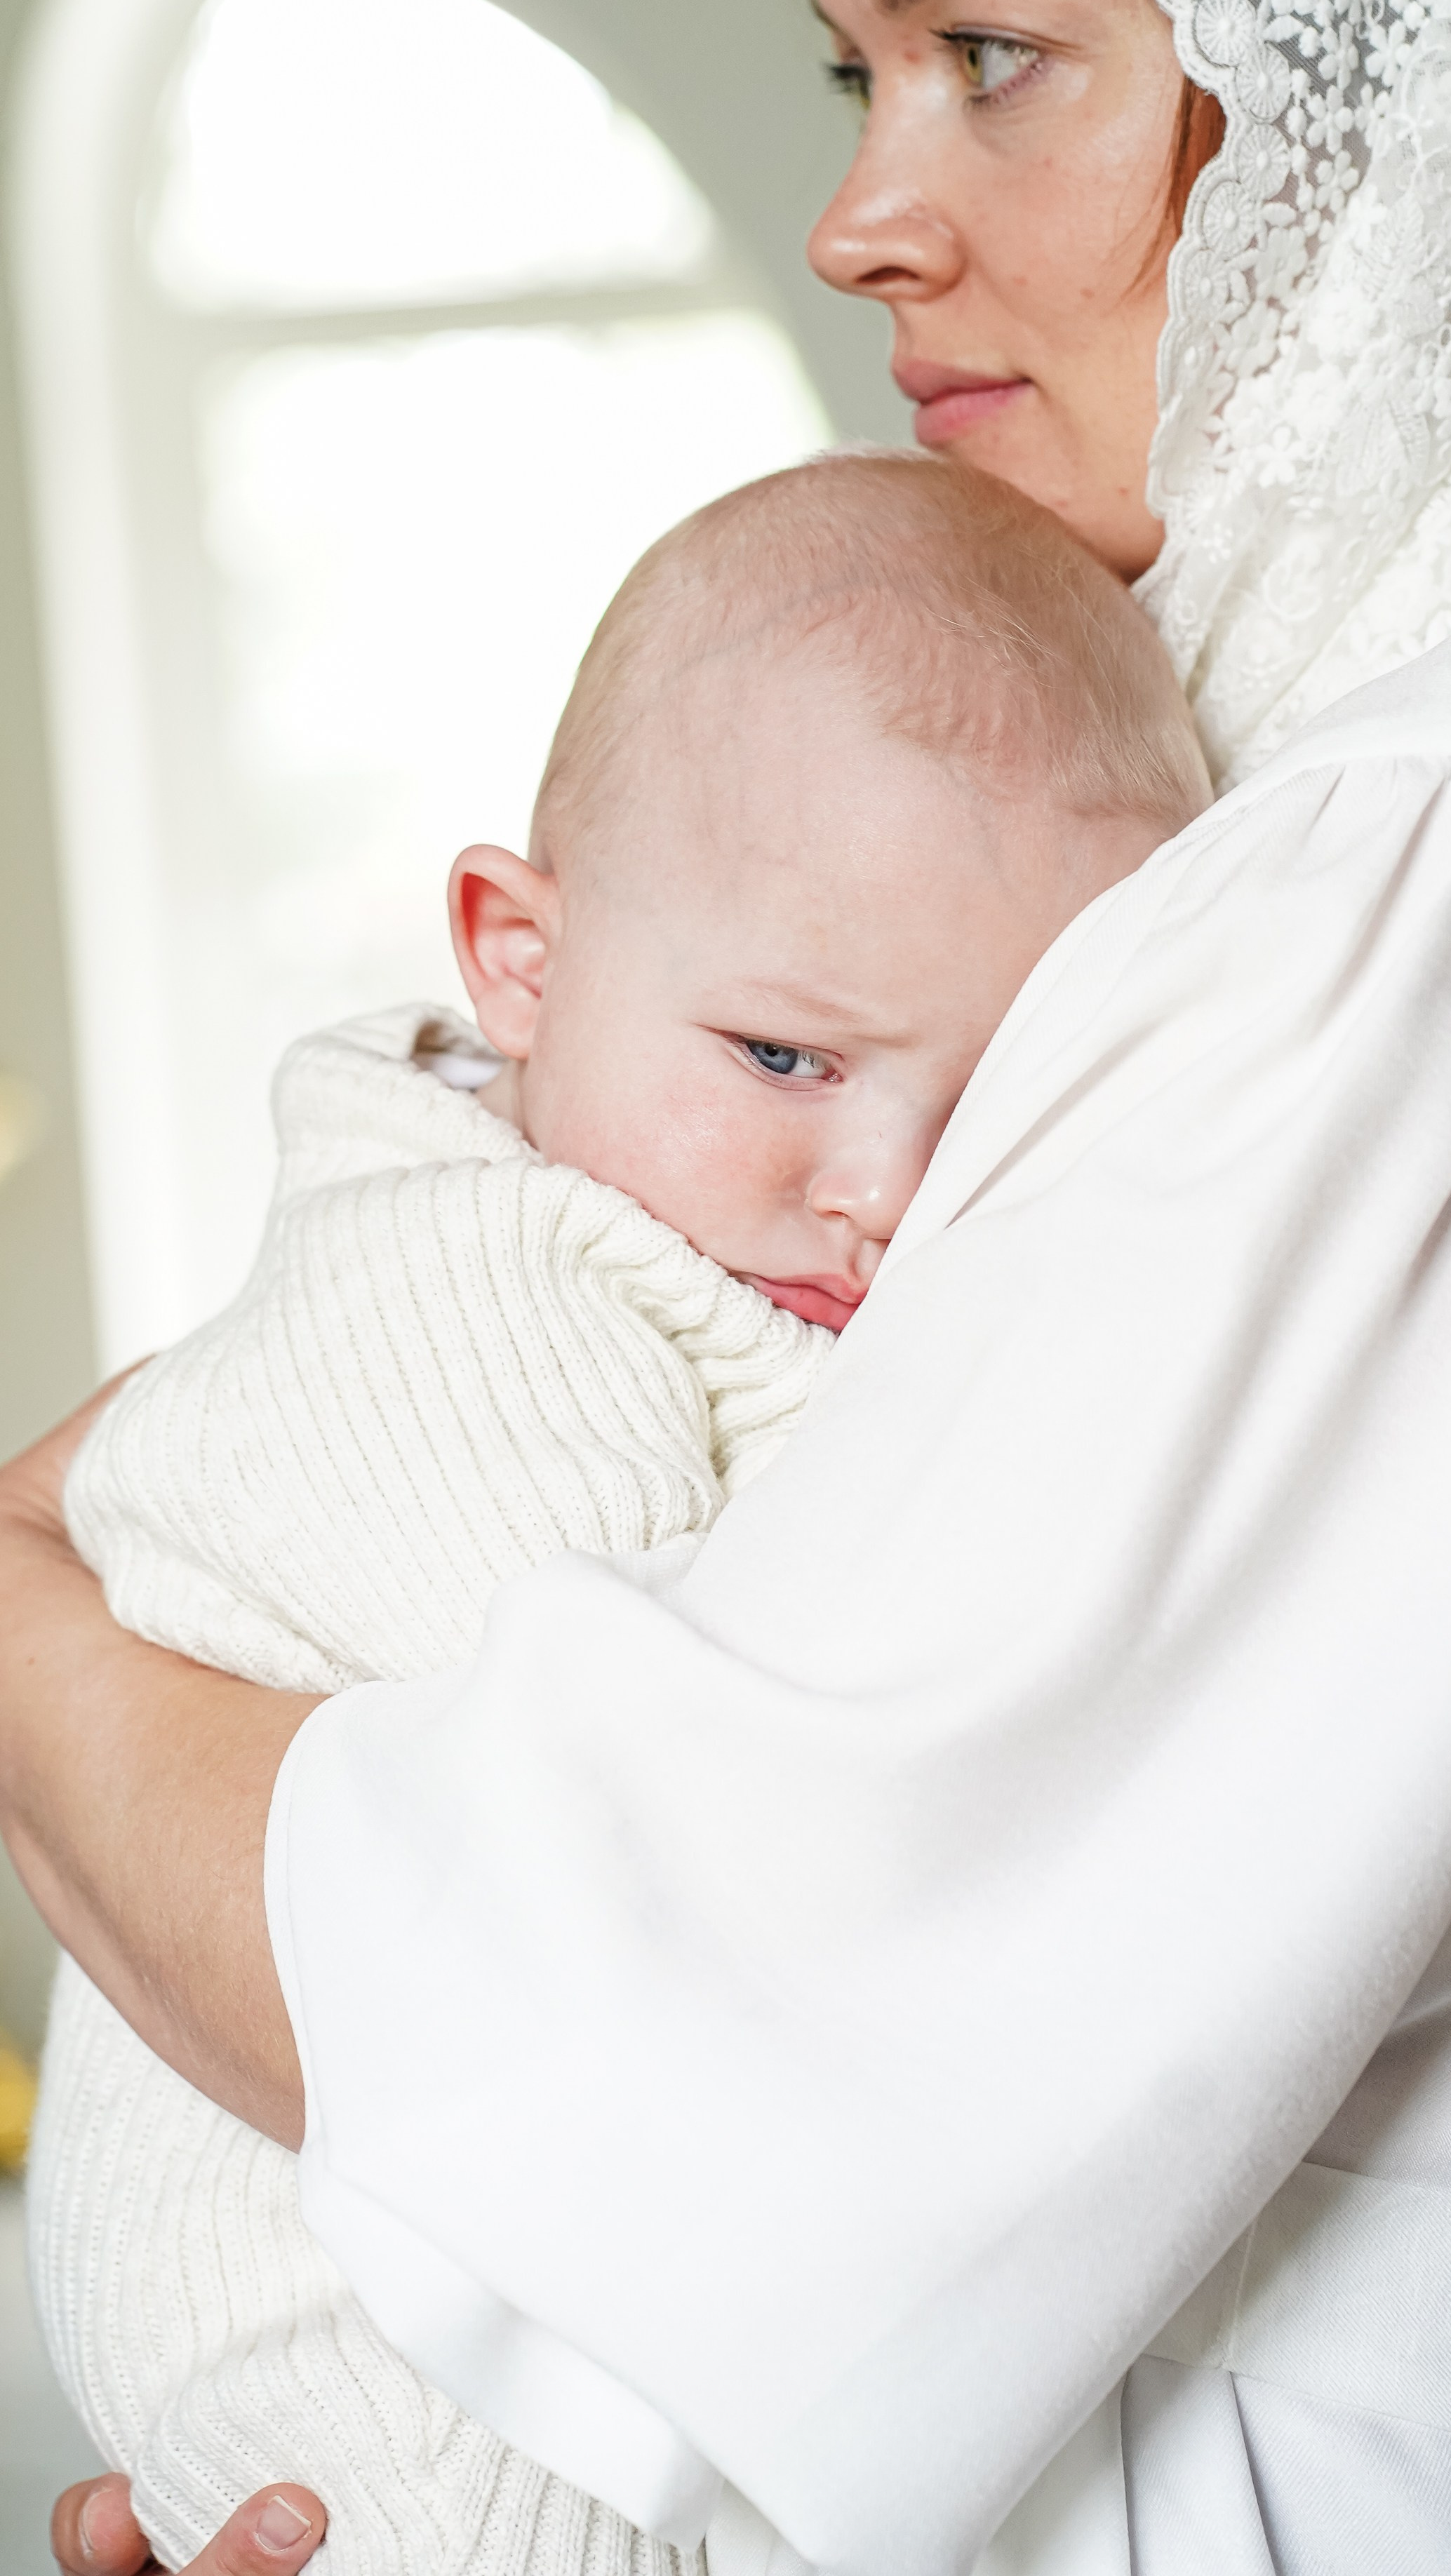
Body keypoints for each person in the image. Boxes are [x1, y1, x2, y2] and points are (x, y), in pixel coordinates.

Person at [12, 0, 1451, 2568]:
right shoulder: (1272, 753)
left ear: (1403, 77)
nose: (862, 214)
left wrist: (23, 1631)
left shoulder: (1446, 840)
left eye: (992, 52)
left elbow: (704, 2011)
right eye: (855, 67)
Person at [27, 454, 1205, 2576]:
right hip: (365, 2391)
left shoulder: (704, 1236)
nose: (882, 1191)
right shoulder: (466, 1289)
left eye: (989, 1108)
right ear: (517, 960)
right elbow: (606, 1888)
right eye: (779, 1058)